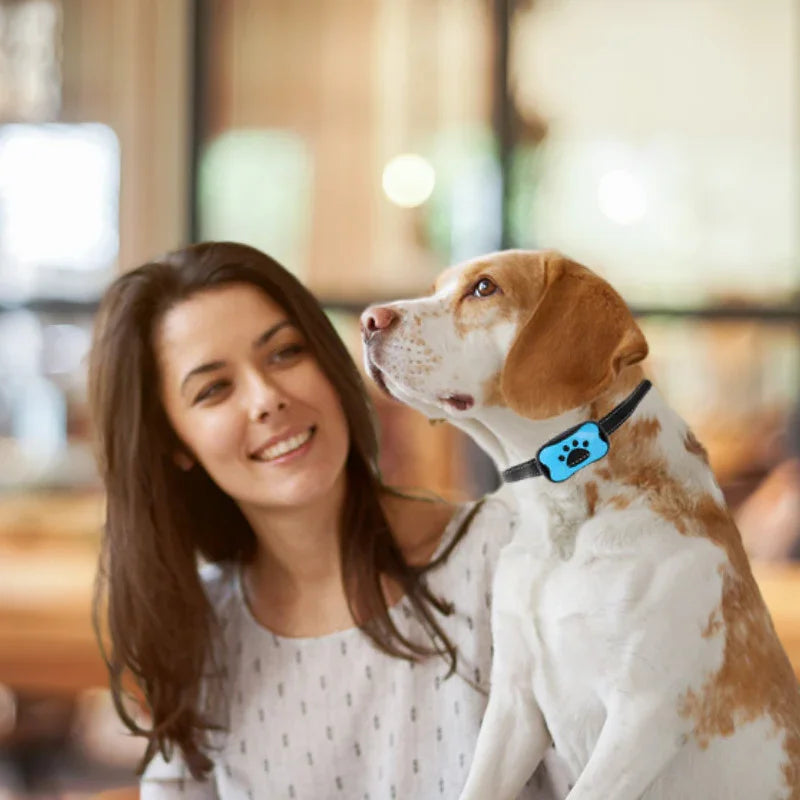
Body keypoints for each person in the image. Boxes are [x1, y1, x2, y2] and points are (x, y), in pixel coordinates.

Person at [88, 241, 566, 799]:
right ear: (174, 443)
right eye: (214, 389)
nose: (266, 399)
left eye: (285, 353)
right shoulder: (201, 634)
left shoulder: (510, 556)